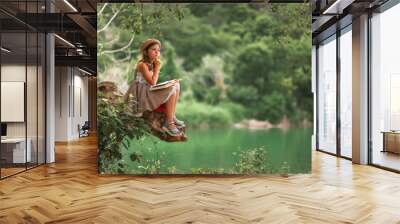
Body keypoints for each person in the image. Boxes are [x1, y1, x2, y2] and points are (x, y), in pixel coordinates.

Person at [128, 38, 184, 137]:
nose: (157, 52)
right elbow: (153, 82)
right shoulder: (142, 64)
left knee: (176, 84)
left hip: (148, 89)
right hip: (142, 94)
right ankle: (169, 124)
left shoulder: (152, 63)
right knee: (172, 88)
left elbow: (152, 82)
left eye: (158, 50)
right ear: (146, 51)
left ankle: (171, 116)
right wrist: (157, 67)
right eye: (154, 50)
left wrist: (156, 67)